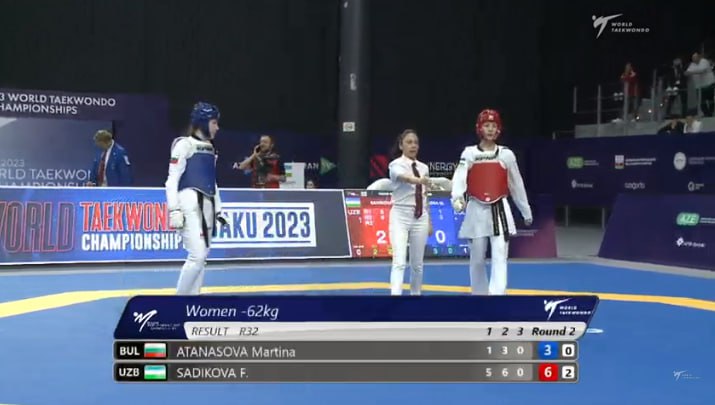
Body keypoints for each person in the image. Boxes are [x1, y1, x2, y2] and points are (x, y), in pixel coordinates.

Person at [451, 109, 532, 295]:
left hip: (500, 210)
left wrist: (525, 210)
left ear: (499, 129)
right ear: (479, 128)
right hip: (476, 209)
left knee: (500, 255)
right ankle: (479, 295)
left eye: (493, 126)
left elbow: (516, 184)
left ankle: (497, 295)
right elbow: (460, 177)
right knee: (477, 258)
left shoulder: (506, 155)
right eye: (486, 125)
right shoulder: (469, 153)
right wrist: (457, 198)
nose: (490, 129)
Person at [165, 102, 227, 295]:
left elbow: (212, 181)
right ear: (203, 122)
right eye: (214, 123)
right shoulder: (184, 145)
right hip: (189, 203)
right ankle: (179, 301)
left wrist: (219, 210)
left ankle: (193, 300)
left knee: (202, 258)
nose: (217, 127)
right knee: (197, 256)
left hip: (207, 205)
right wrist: (174, 209)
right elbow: (172, 180)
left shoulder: (210, 148)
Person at [387, 129, 434, 296]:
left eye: (416, 142)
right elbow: (403, 177)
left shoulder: (424, 167)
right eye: (409, 142)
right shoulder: (395, 165)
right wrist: (418, 180)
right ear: (401, 146)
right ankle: (395, 298)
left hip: (420, 216)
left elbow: (425, 195)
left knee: (417, 264)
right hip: (400, 215)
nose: (413, 145)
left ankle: (416, 295)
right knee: (399, 262)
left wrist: (429, 221)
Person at [685, 52, 715, 117]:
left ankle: (711, 112)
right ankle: (706, 113)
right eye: (693, 58)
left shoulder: (704, 61)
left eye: (695, 57)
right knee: (701, 101)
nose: (694, 59)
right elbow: (687, 72)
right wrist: (691, 72)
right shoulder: (692, 64)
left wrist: (692, 72)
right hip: (699, 86)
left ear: (699, 57)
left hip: (709, 84)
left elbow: (702, 70)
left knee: (710, 99)